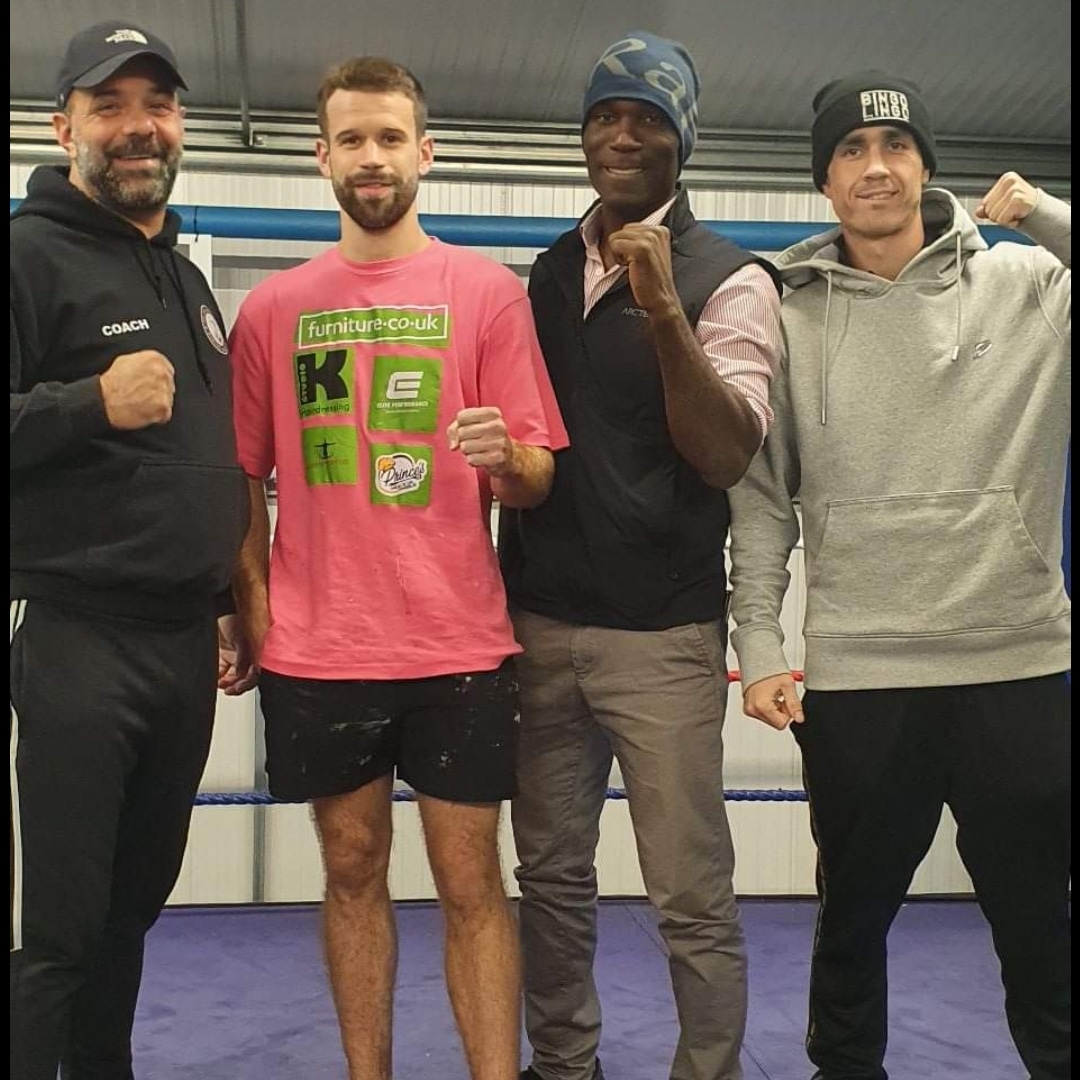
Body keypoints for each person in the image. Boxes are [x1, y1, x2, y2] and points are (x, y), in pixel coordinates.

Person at [222, 56, 567, 1080]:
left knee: (472, 880)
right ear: (321, 155)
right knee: (351, 868)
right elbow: (243, 476)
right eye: (351, 139)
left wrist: (509, 459)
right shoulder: (271, 309)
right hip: (320, 649)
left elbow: (540, 474)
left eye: (389, 138)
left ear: (426, 151)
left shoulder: (487, 292)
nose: (371, 158)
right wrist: (250, 606)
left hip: (457, 641)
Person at [728, 70, 1071, 1080]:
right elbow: (759, 500)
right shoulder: (784, 312)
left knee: (1040, 932)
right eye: (851, 152)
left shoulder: (1030, 287)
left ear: (926, 164)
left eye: (896, 147)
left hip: (1018, 667)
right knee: (851, 935)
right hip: (864, 680)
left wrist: (1045, 212)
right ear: (824, 181)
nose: (876, 168)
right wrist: (757, 646)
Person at [498, 31, 783, 1080]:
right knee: (553, 878)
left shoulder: (731, 278)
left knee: (689, 891)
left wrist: (666, 309)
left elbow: (723, 453)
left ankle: (707, 1071)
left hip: (662, 637)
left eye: (648, 118)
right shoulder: (546, 269)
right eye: (605, 117)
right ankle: (564, 1063)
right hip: (538, 627)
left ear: (684, 141)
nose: (623, 134)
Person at [9, 19, 249, 1080]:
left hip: (179, 643)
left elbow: (205, 460)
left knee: (131, 912)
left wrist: (230, 591)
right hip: (76, 633)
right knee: (63, 928)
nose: (137, 127)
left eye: (156, 105)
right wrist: (87, 402)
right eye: (110, 106)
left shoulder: (184, 279)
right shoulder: (24, 254)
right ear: (65, 125)